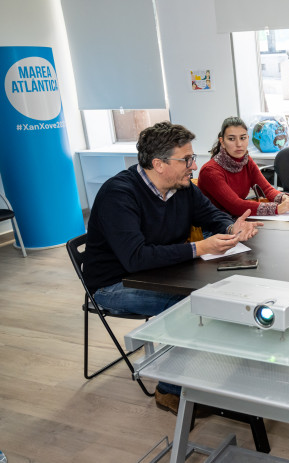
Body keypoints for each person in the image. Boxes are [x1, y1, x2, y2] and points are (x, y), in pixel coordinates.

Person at [84, 121, 263, 414]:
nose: (193, 165)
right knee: (193, 304)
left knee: (226, 291)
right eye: (186, 159)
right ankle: (171, 391)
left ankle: (222, 371)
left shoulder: (180, 186)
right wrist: (199, 248)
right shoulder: (119, 194)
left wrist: (232, 226)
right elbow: (136, 258)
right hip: (116, 283)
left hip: (160, 272)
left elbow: (210, 214)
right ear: (159, 164)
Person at [198, 116, 289, 216]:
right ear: (222, 142)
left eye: (243, 138)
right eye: (231, 139)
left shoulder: (246, 161)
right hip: (214, 228)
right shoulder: (210, 171)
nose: (239, 144)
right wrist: (277, 208)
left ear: (248, 139)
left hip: (237, 219)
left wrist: (283, 198)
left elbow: (267, 189)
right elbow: (236, 206)